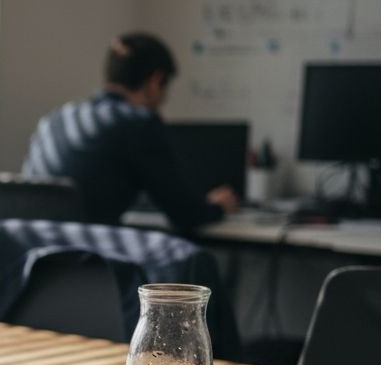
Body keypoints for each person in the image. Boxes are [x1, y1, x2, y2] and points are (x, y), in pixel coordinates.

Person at [22, 32, 238, 234]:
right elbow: (186, 215)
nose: (164, 99)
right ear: (155, 81)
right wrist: (219, 206)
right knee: (193, 257)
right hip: (87, 253)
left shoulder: (56, 118)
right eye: (166, 89)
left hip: (33, 251)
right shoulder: (139, 122)